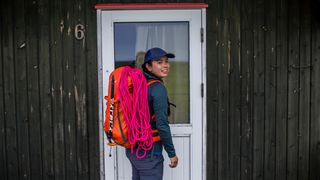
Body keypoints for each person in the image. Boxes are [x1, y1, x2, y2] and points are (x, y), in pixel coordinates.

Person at [126, 47, 179, 180]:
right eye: (159, 62)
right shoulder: (157, 88)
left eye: (166, 61)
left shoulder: (140, 85)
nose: (165, 65)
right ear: (148, 67)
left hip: (134, 150)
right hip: (149, 152)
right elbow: (162, 125)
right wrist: (172, 153)